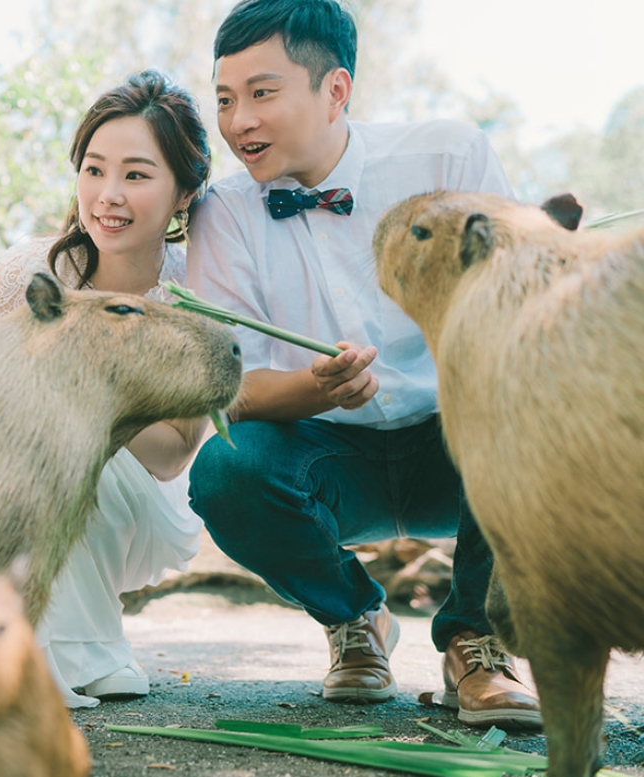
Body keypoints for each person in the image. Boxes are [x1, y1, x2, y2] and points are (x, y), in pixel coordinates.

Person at [185, 0, 542, 728]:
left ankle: (476, 643)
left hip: (459, 446)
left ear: (336, 91)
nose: (238, 121)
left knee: (542, 410)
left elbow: (520, 310)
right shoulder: (222, 213)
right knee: (223, 470)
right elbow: (233, 390)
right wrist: (313, 389)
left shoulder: (448, 158)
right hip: (326, 458)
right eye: (224, 99)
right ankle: (357, 619)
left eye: (261, 93)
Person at [0, 69, 212, 708]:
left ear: (184, 192)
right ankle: (88, 654)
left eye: (136, 174)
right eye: (94, 170)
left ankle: (46, 657)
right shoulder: (27, 272)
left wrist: (81, 386)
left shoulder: (195, 294)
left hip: (146, 504)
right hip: (1, 489)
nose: (108, 195)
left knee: (73, 445)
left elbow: (174, 452)